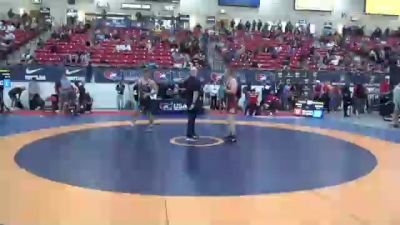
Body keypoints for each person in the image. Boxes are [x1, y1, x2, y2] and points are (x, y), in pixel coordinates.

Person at [184, 67, 202, 141]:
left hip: (188, 101)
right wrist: (193, 103)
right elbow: (195, 92)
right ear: (195, 72)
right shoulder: (197, 81)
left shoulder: (187, 80)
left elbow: (185, 89)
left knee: (192, 118)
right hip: (193, 102)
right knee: (191, 118)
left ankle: (192, 133)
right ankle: (189, 135)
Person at [225, 68, 239, 142]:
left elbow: (233, 91)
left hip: (232, 102)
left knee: (231, 119)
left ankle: (233, 136)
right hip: (229, 101)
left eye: (225, 72)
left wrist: (226, 90)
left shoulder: (233, 80)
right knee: (229, 120)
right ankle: (230, 134)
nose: (224, 74)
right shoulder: (228, 81)